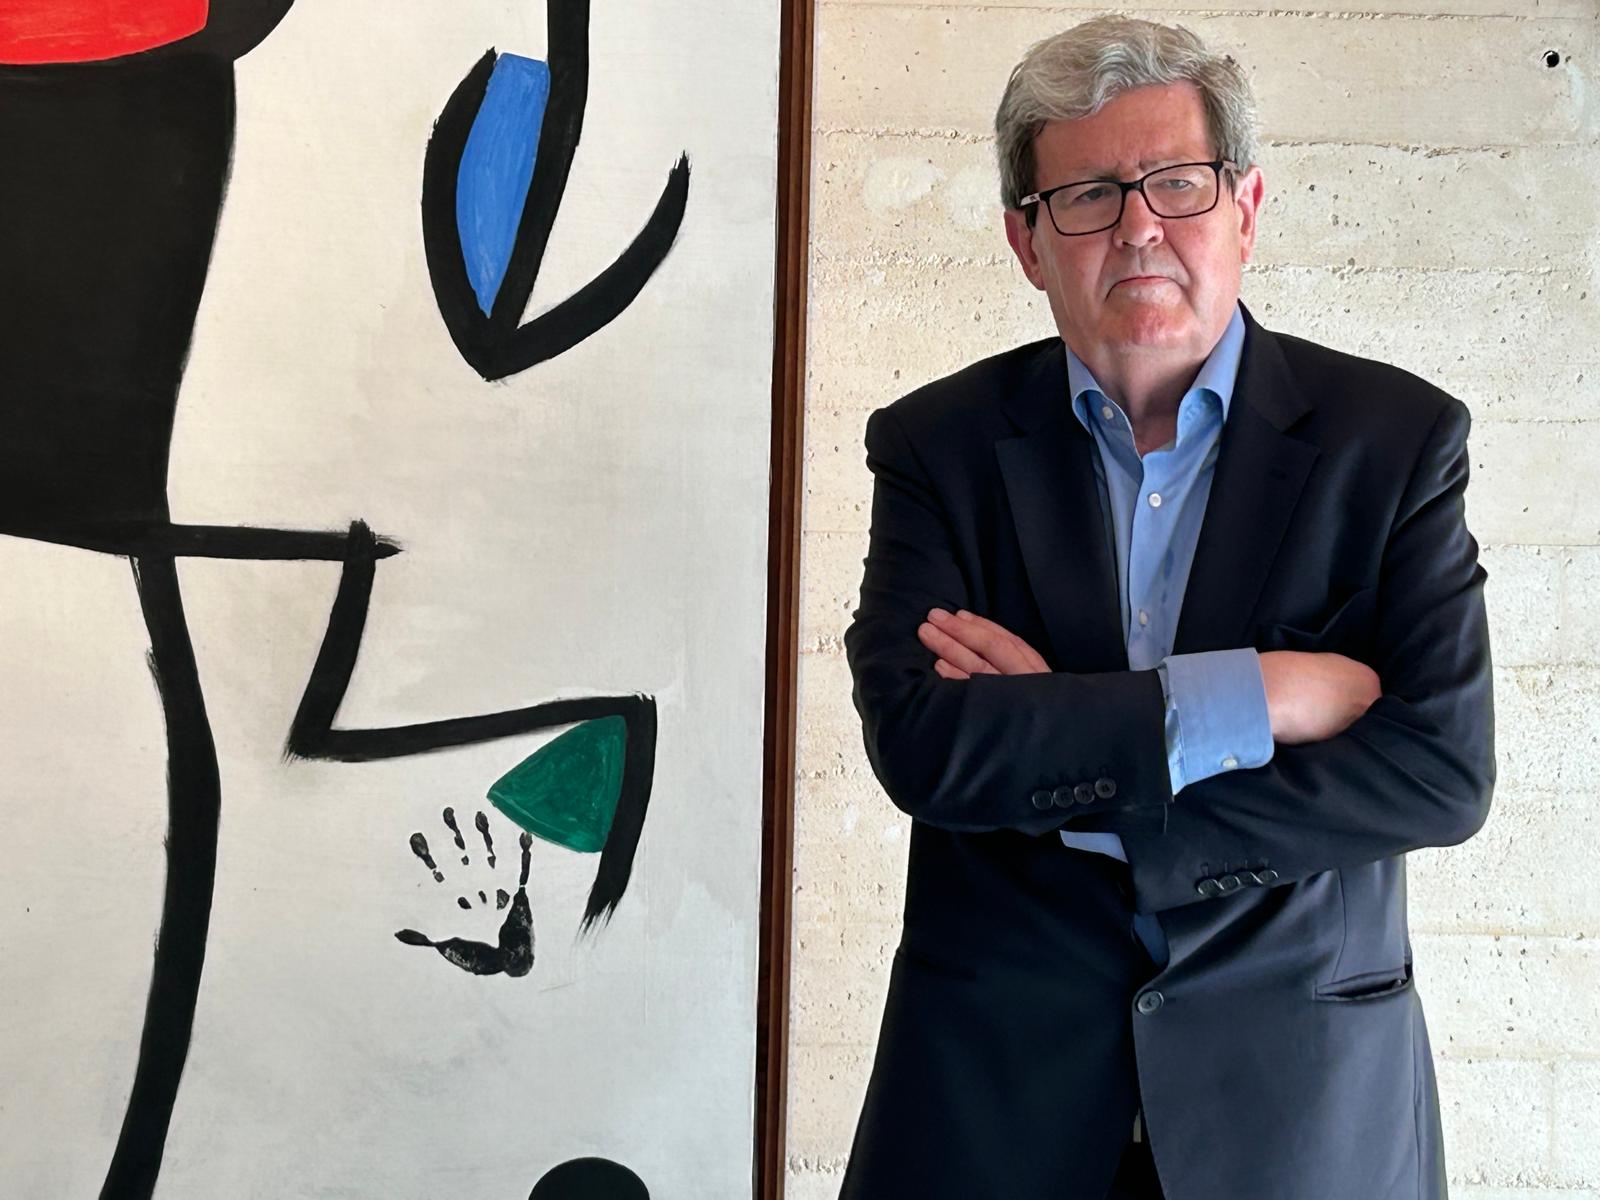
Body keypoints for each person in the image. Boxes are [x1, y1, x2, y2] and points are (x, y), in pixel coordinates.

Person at [839, 15, 1495, 1200]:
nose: (1138, 227)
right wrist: (1257, 698)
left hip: (1299, 1116)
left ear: (1245, 209)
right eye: (1087, 196)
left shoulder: (1392, 443)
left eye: (1177, 184)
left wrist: (1063, 736)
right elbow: (927, 747)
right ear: (1026, 241)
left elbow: (1440, 775)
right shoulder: (938, 447)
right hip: (994, 1108)